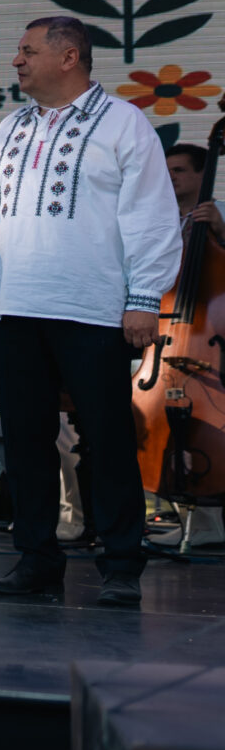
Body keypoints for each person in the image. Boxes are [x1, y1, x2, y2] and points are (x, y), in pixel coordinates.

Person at [0, 19, 181, 605]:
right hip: (14, 308)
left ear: (69, 56)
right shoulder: (11, 127)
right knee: (26, 440)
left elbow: (151, 216)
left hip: (91, 307)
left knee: (106, 437)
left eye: (27, 50)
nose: (16, 61)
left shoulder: (123, 122)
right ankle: (36, 560)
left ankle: (121, 564)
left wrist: (143, 298)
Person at [162, 144, 225, 548]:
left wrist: (221, 230)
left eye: (180, 170)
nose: (170, 177)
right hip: (170, 339)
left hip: (213, 341)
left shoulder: (220, 214)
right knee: (165, 429)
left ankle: (209, 524)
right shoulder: (162, 222)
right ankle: (191, 520)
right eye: (166, 170)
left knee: (210, 426)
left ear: (204, 174)